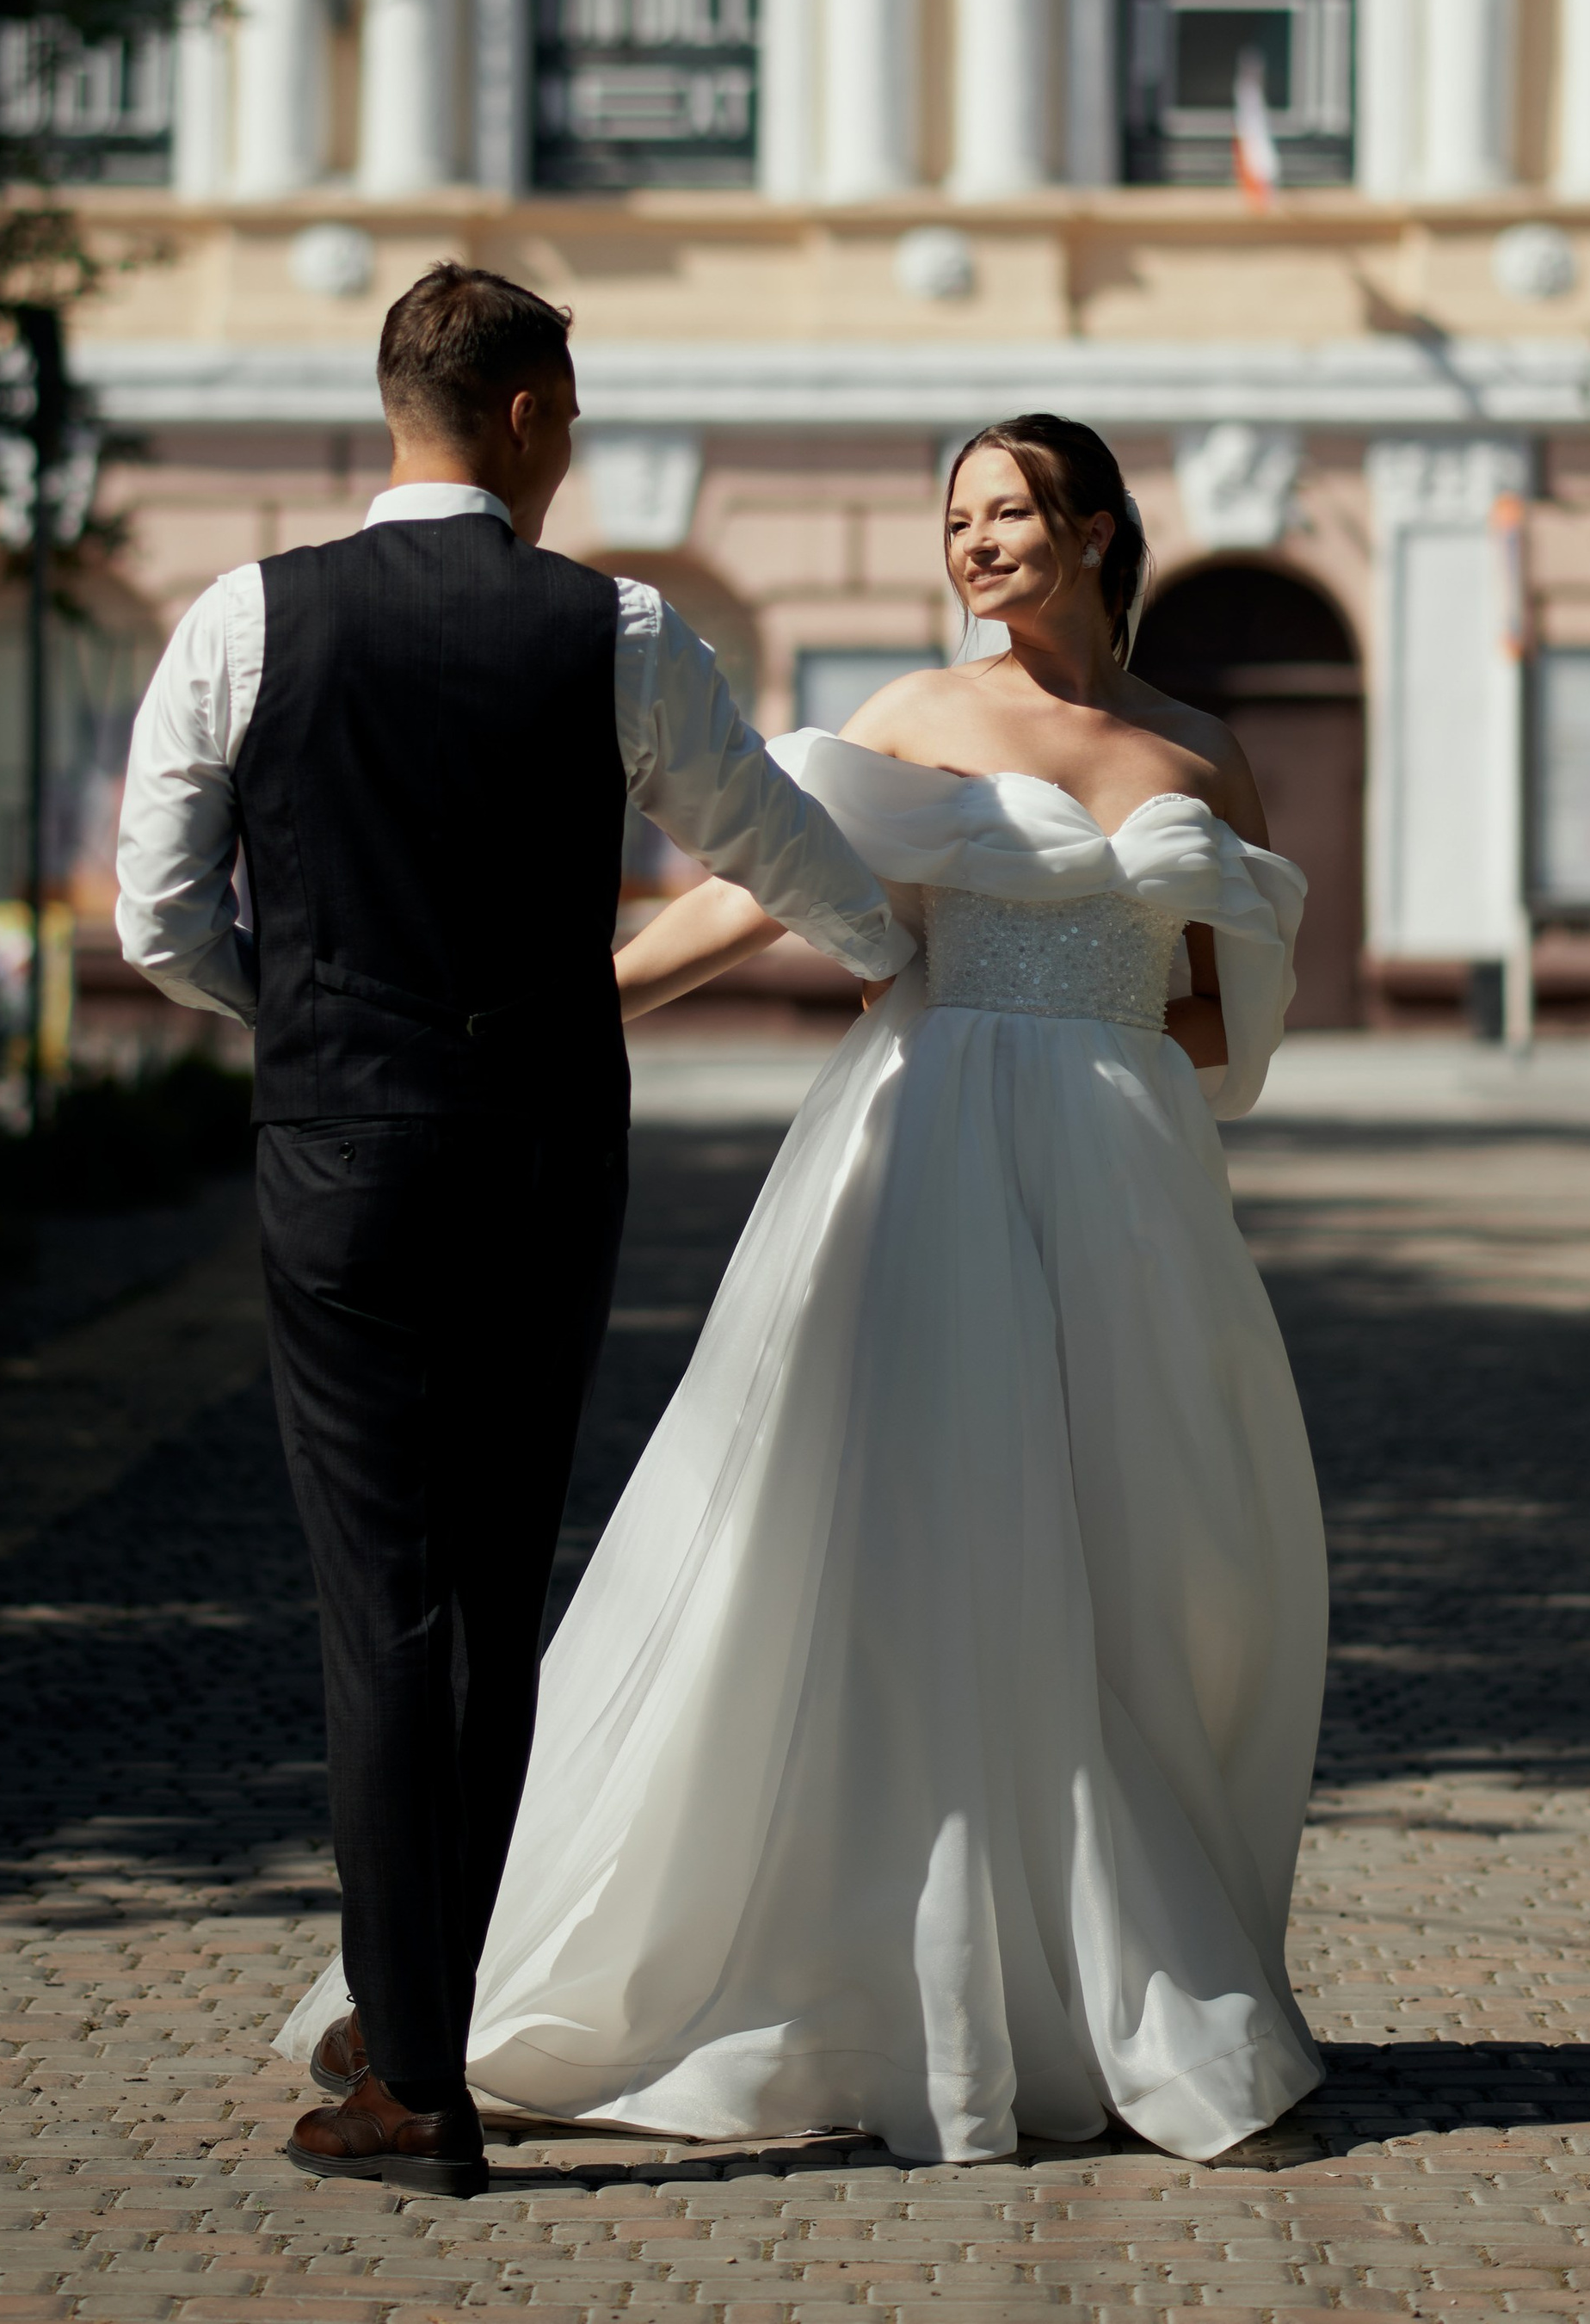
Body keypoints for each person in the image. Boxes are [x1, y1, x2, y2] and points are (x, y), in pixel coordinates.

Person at [281, 410, 1328, 2167]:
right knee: (913, 1536)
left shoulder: (1201, 752)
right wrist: (560, 1010)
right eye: (955, 517)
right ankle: (873, 1975)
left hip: (1129, 1178)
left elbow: (1221, 1014)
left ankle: (1100, 1970)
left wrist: (1086, 1004)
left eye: (1004, 512)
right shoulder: (916, 718)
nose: (972, 542)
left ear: (1090, 530)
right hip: (928, 1156)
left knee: (1153, 1551)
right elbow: (749, 897)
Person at [115, 263, 911, 2197]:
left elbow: (156, 915)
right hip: (546, 1149)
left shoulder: (246, 614)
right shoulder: (614, 629)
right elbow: (760, 840)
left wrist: (299, 1015)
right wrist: (901, 950)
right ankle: (426, 2051)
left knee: (380, 1607)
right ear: (540, 414)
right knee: (485, 1599)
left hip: (341, 1150)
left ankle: (411, 2076)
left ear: (396, 404)